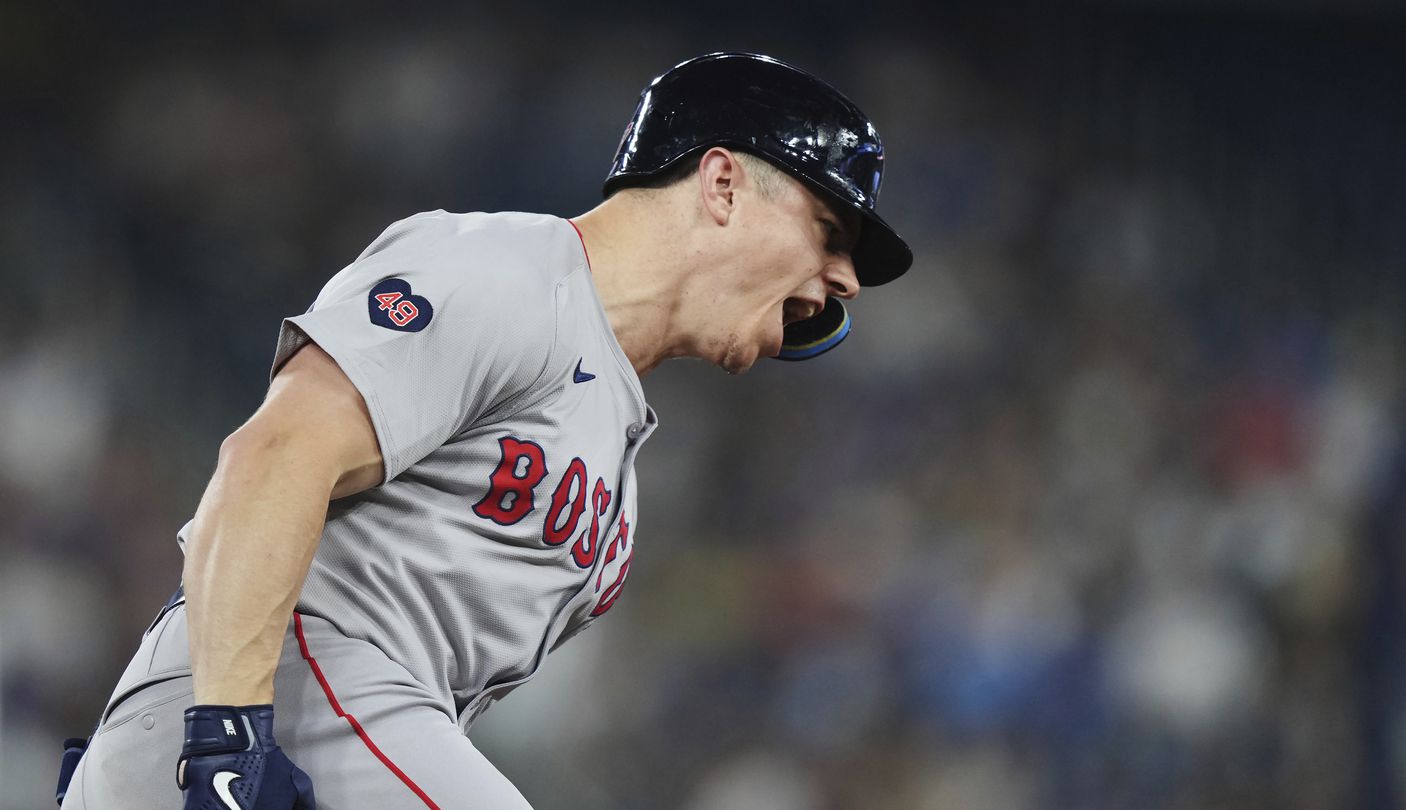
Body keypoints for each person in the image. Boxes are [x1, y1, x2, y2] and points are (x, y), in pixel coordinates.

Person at [56, 52, 912, 809]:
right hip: (273, 693)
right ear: (722, 185)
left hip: (341, 727)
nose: (843, 279)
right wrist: (229, 739)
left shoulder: (615, 443)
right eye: (827, 229)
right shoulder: (506, 274)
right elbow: (271, 458)